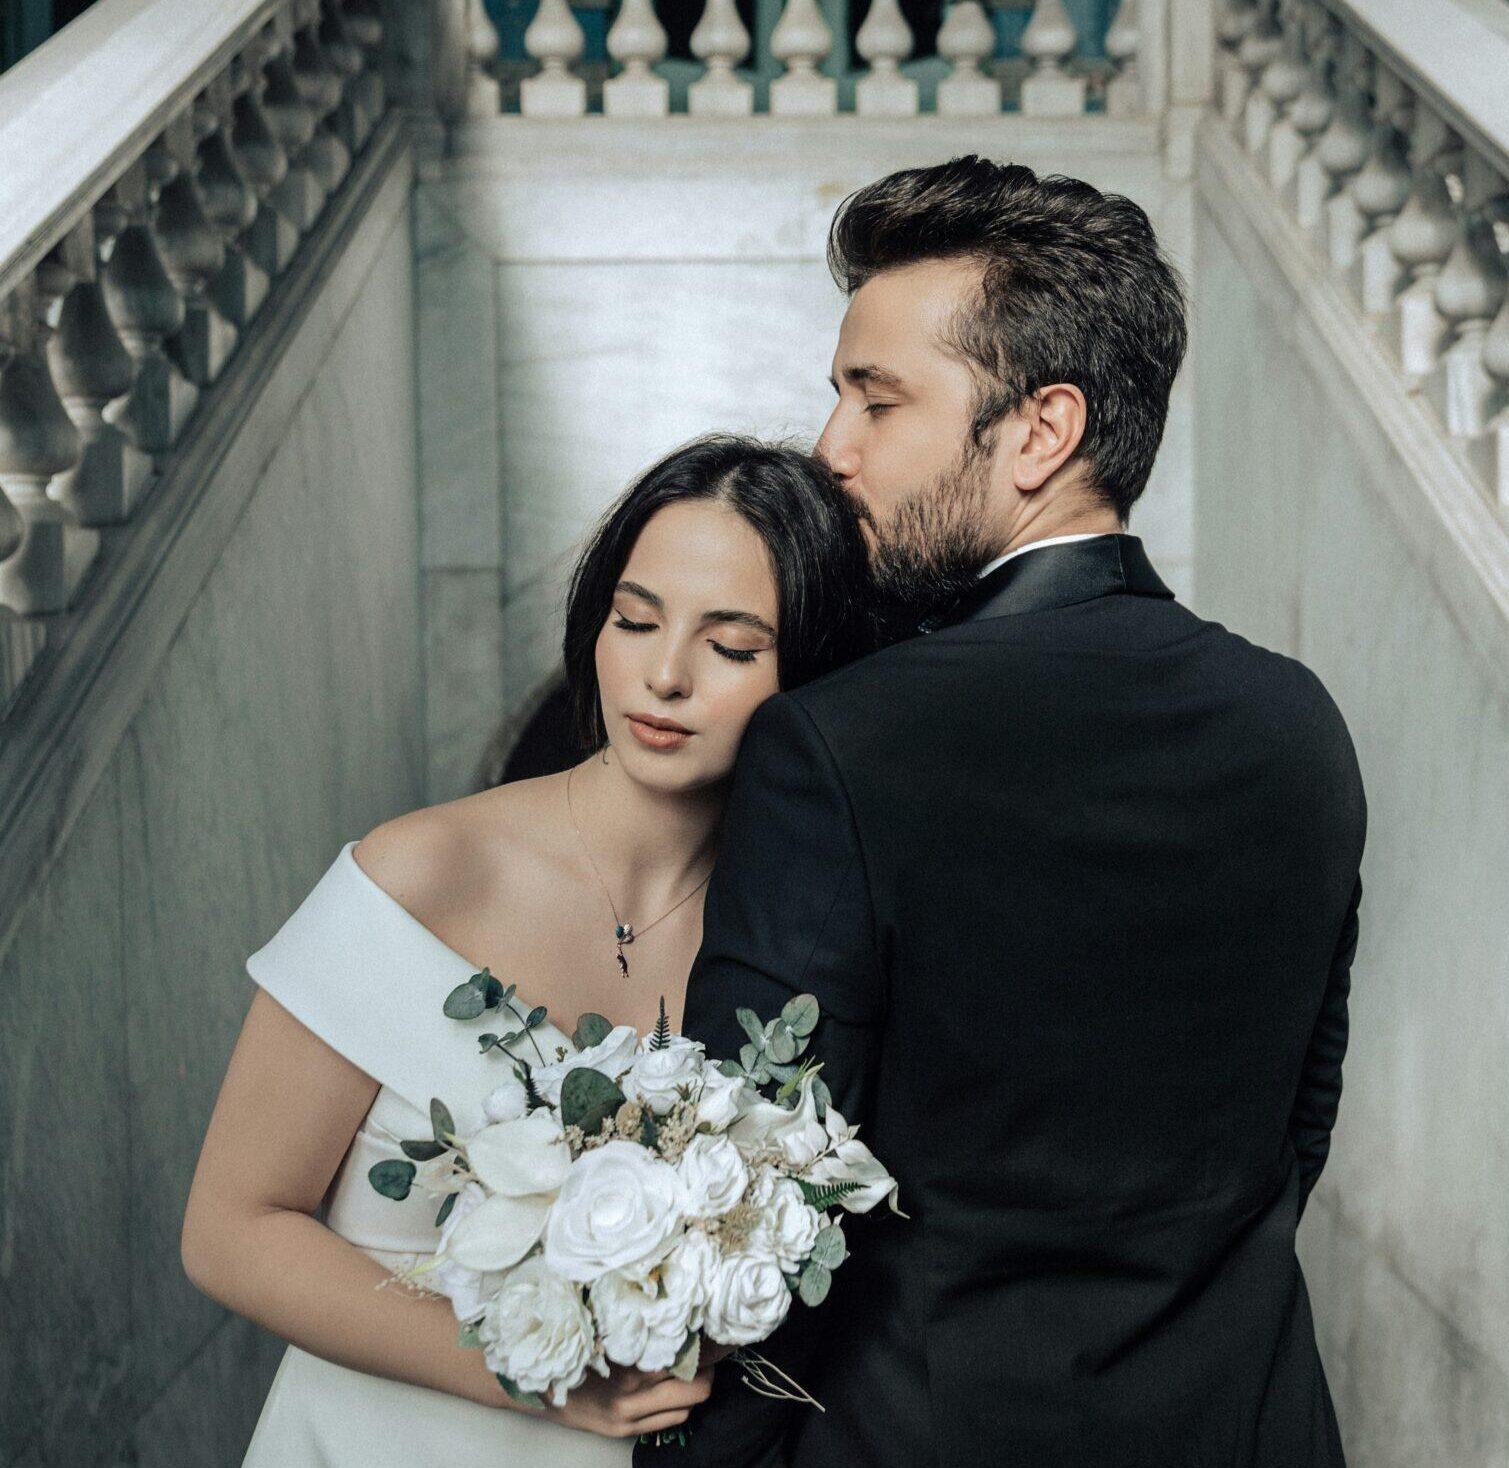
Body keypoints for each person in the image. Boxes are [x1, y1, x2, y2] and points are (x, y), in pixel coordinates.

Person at [636, 156, 1368, 1468]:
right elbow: (1292, 1132)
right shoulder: (1296, 724)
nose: (830, 450)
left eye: (876, 401)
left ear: (1040, 430)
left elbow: (741, 1193)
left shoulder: (834, 740)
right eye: (835, 399)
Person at [180, 434, 878, 1465]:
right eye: (634, 620)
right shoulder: (424, 870)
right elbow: (231, 1228)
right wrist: (541, 1377)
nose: (666, 674)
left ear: (810, 672)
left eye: (731, 646)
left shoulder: (787, 943)